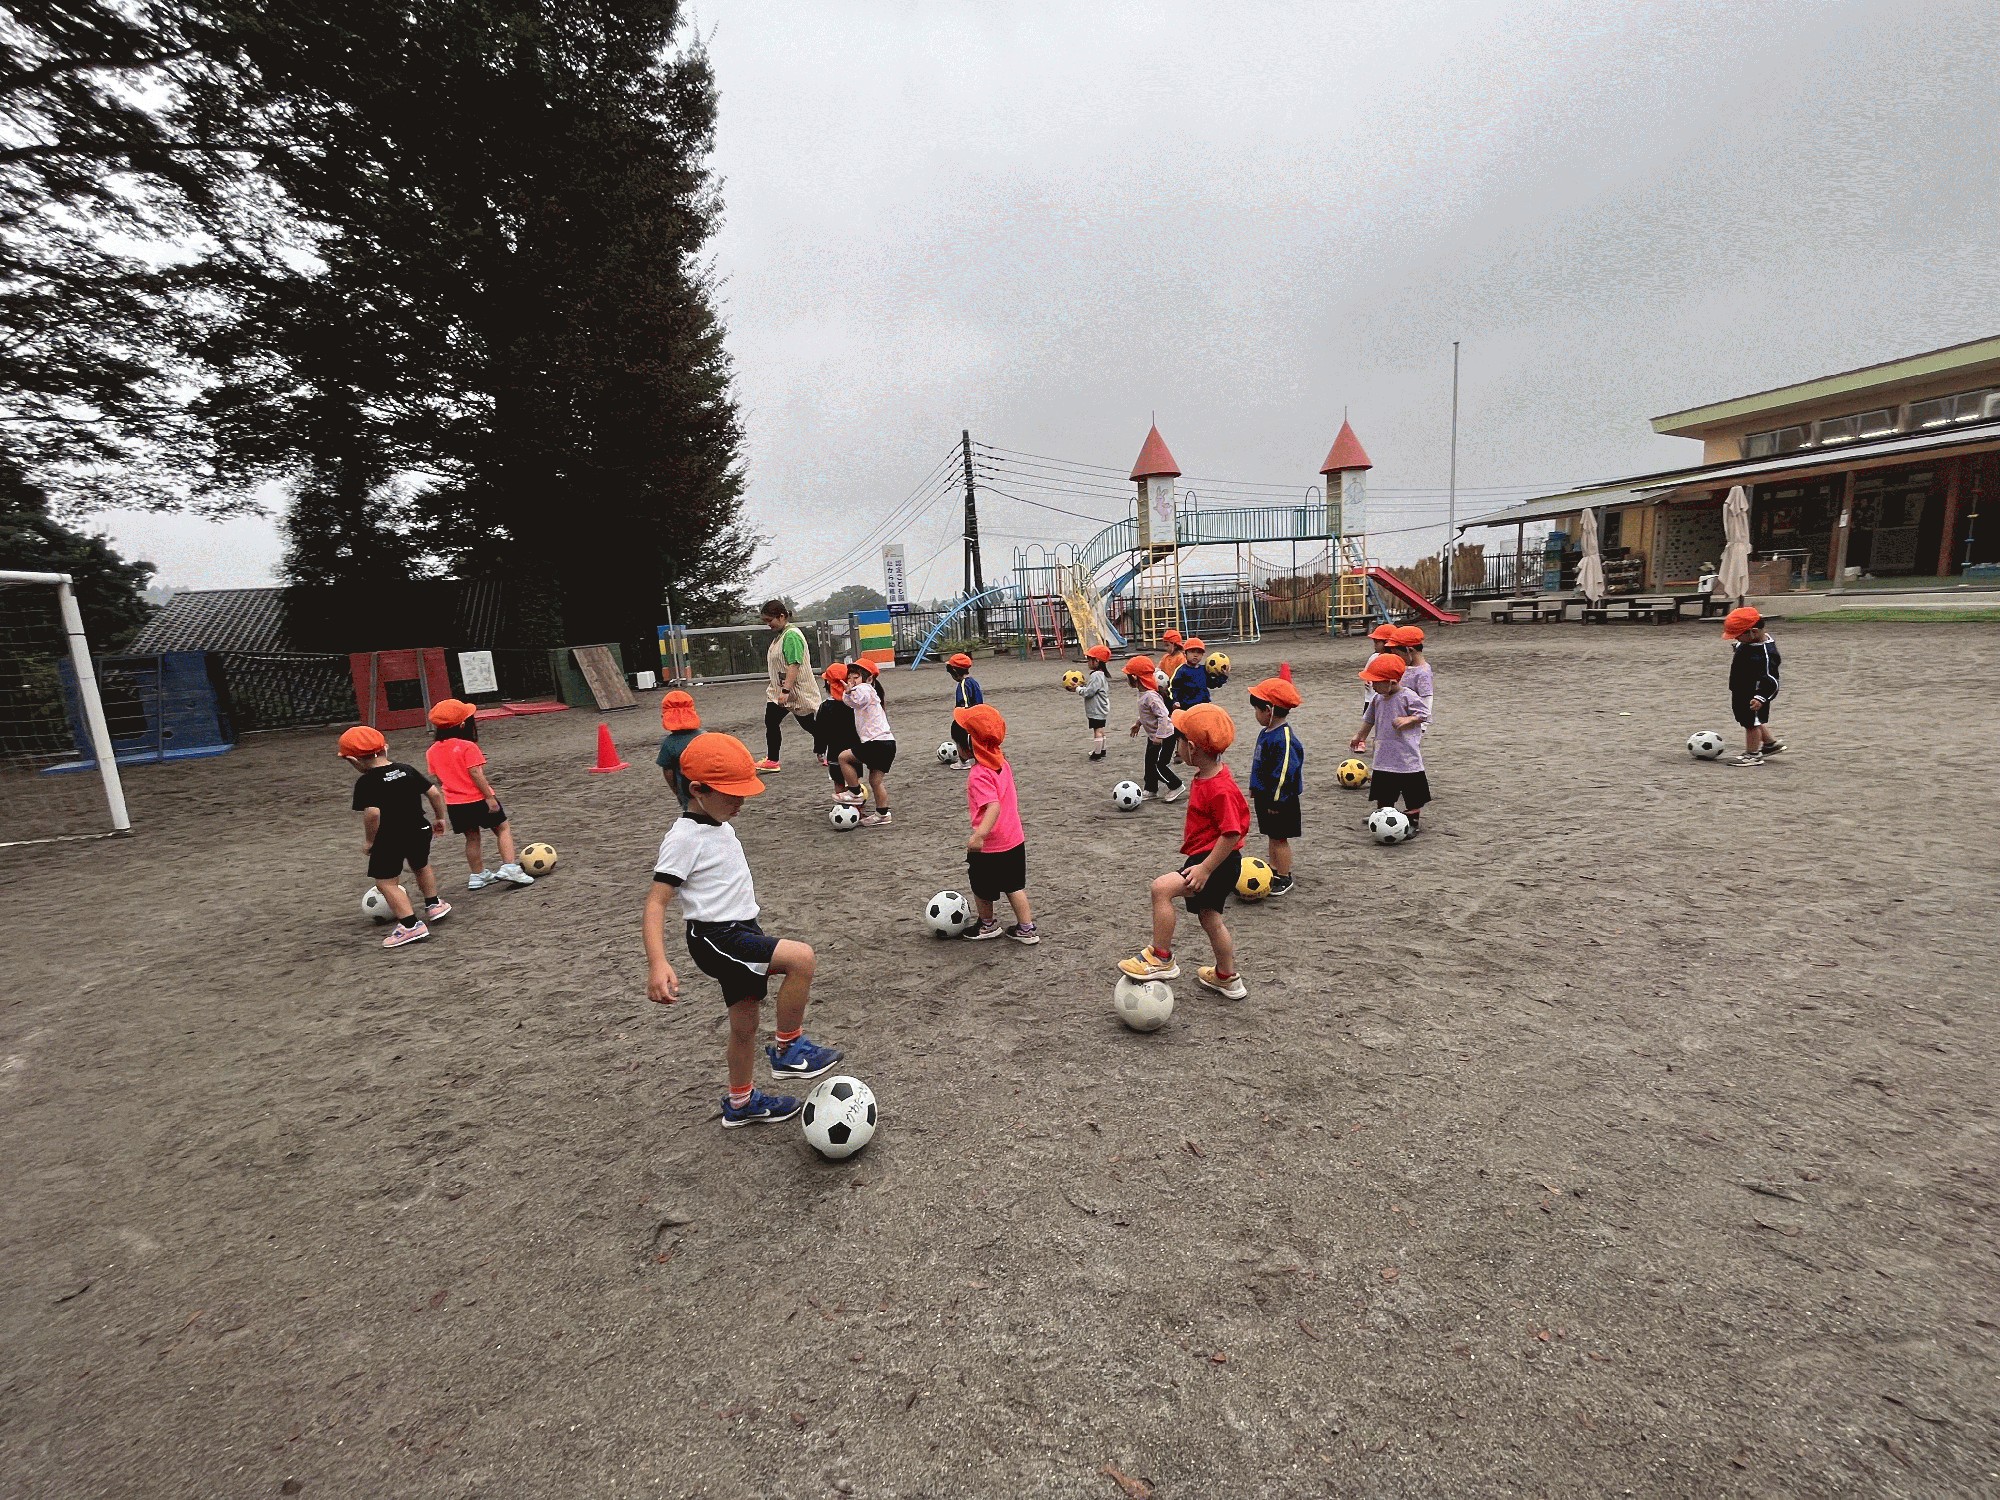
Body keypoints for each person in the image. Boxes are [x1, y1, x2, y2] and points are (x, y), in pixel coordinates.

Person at [643, 732, 842, 1127]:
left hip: (742, 929)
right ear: (697, 790)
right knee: (801, 958)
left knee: (744, 1025)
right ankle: (788, 1049)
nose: (741, 802)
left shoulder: (717, 824)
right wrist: (658, 963)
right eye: (731, 794)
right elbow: (656, 902)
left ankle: (741, 1101)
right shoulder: (684, 837)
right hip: (717, 938)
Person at [1119, 702, 1249, 1000]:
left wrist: (1205, 868)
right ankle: (1227, 978)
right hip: (1213, 859)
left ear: (1191, 748)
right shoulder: (1208, 775)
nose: (1175, 746)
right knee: (1210, 918)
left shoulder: (1219, 787)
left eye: (1178, 740)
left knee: (1161, 889)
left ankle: (1161, 957)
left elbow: (1232, 833)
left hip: (1216, 862)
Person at [339, 725, 451, 949]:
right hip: (420, 828)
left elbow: (373, 814)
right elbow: (434, 793)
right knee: (421, 865)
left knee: (386, 882)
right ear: (386, 748)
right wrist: (440, 818)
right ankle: (434, 905)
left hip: (391, 837)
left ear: (353, 760)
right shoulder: (406, 769)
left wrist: (370, 841)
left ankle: (410, 925)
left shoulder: (366, 782)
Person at [425, 699, 535, 889]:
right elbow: (475, 773)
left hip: (455, 803)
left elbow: (439, 779)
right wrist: (489, 797)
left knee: (472, 838)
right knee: (502, 828)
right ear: (462, 725)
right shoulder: (468, 746)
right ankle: (509, 866)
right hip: (478, 798)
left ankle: (477, 875)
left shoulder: (432, 751)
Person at [954, 704, 1038, 944]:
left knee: (981, 887)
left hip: (991, 845)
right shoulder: (1002, 763)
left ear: (968, 746)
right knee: (1014, 886)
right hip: (1014, 839)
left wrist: (979, 835)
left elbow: (993, 806)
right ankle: (1027, 928)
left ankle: (987, 924)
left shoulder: (979, 774)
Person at [1351, 653, 1431, 834]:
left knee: (1412, 792)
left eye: (1376, 682)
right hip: (1383, 755)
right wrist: (1360, 736)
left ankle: (1412, 820)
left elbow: (1424, 714)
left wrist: (1409, 719)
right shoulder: (1377, 699)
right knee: (1384, 790)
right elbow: (1369, 719)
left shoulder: (1408, 696)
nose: (1372, 685)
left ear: (1392, 682)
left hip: (1406, 757)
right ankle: (1383, 815)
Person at [1247, 668, 1304, 897]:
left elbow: (1284, 774)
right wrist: (1255, 786)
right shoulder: (1267, 732)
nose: (1255, 714)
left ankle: (1284, 875)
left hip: (1280, 799)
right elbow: (1260, 764)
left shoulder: (1284, 738)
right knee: (1272, 835)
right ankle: (1272, 868)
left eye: (1257, 709)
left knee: (1280, 838)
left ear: (1269, 710)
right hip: (1266, 795)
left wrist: (1276, 800)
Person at [756, 599, 822, 773]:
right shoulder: (781, 635)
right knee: (771, 721)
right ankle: (772, 760)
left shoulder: (791, 636)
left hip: (796, 690)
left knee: (808, 724)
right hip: (779, 690)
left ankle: (830, 746)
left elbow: (794, 664)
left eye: (769, 620)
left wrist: (786, 690)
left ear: (781, 616)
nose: (768, 624)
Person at [1723, 606, 1785, 766]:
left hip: (1754, 694)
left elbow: (1771, 680)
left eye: (1738, 636)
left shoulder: (1765, 654)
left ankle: (1752, 754)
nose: (1736, 639)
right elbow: (1746, 651)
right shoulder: (1750, 643)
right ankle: (1770, 744)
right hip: (1741, 689)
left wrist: (1761, 697)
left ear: (1754, 632)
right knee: (1750, 719)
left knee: (1751, 724)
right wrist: (1739, 647)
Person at [844, 658, 897, 826]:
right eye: (849, 677)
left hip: (877, 743)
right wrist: (848, 693)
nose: (852, 681)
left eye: (856, 677)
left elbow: (859, 699)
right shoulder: (868, 692)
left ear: (869, 678)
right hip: (887, 743)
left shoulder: (865, 689)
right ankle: (883, 814)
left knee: (843, 758)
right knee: (875, 781)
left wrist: (851, 691)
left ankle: (854, 792)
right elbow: (851, 703)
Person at [1124, 654, 1183, 802]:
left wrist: (1159, 736)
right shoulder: (1143, 694)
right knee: (1149, 763)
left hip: (1165, 737)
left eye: (1128, 676)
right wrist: (1138, 723)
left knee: (1158, 765)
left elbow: (1164, 716)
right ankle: (1151, 789)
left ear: (1135, 677)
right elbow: (1149, 715)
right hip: (1154, 736)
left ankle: (1176, 785)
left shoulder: (1151, 696)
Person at [816, 663, 866, 801]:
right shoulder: (855, 704)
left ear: (828, 683)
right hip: (855, 749)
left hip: (834, 751)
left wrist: (819, 750)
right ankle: (858, 803)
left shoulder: (825, 707)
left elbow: (820, 731)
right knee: (854, 779)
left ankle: (843, 805)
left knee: (838, 781)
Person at [654, 690, 703, 810]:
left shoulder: (669, 743)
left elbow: (668, 772)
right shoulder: (704, 736)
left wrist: (676, 791)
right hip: (711, 791)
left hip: (687, 794)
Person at [945, 652, 983, 771]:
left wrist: (962, 721)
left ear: (954, 671)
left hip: (968, 718)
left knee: (958, 733)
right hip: (978, 715)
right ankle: (977, 759)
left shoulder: (963, 684)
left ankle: (963, 761)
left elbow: (965, 704)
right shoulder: (973, 682)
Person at [1391, 625, 1434, 727]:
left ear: (1409, 650)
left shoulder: (1423, 672)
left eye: (1398, 654)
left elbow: (1426, 700)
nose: (1396, 658)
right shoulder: (1405, 667)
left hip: (1412, 724)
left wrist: (1422, 726)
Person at [1079, 643, 1112, 759]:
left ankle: (1097, 753)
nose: (1088, 662)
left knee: (1097, 730)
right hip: (1102, 708)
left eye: (1089, 660)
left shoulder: (1096, 675)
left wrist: (1078, 689)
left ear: (1096, 661)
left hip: (1096, 708)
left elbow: (1089, 692)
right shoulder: (1101, 674)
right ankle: (1102, 749)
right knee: (1101, 729)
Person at [1171, 637, 1212, 711]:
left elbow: (1211, 683)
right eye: (1192, 652)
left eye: (1199, 652)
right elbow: (1175, 688)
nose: (1195, 655)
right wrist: (1175, 701)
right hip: (1188, 706)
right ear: (1185, 653)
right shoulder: (1182, 671)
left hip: (1204, 705)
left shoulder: (1204, 669)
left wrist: (1223, 676)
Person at [1157, 630, 1186, 709]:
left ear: (1175, 645)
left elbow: (1182, 675)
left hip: (1176, 688)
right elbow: (1158, 670)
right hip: (1165, 688)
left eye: (1167, 645)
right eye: (1164, 645)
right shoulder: (1165, 657)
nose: (1165, 648)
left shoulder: (1180, 658)